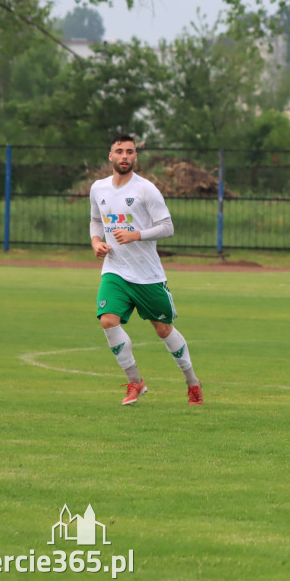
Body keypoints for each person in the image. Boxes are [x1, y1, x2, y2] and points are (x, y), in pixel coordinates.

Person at [89, 135, 203, 406]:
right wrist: (96, 242)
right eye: (119, 151)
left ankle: (192, 382)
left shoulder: (146, 189)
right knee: (107, 320)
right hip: (115, 270)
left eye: (130, 151)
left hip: (148, 275)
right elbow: (96, 220)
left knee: (163, 329)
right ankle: (135, 381)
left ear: (136, 156)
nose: (124, 156)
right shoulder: (98, 188)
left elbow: (167, 227)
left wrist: (136, 235)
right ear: (111, 156)